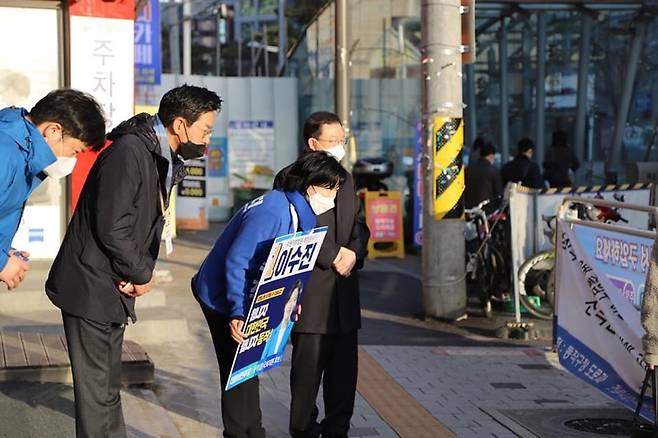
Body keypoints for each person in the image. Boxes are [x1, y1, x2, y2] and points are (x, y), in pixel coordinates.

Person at [46, 84, 223, 438]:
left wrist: (136, 271)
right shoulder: (130, 152)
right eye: (205, 129)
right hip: (90, 286)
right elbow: (112, 225)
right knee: (97, 397)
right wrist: (141, 272)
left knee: (108, 391)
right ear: (179, 125)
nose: (207, 137)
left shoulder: (156, 154)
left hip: (109, 284)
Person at [192, 151, 348, 438]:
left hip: (253, 294)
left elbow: (290, 265)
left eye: (336, 189)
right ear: (309, 184)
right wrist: (237, 312)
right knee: (237, 373)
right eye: (329, 188)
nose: (333, 196)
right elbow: (237, 261)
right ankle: (241, 432)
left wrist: (292, 300)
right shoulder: (272, 211)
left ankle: (255, 431)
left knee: (250, 367)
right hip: (223, 295)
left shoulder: (303, 212)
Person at [273, 111, 370, 438]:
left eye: (342, 140)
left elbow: (359, 222)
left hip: (344, 294)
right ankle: (303, 431)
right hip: (311, 295)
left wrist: (355, 252)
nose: (339, 147)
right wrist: (332, 256)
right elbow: (295, 228)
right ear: (313, 143)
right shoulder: (291, 178)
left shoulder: (346, 176)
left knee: (344, 377)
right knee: (306, 377)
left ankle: (337, 431)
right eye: (333, 141)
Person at [0, 89, 105, 290]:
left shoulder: (20, 151)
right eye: (74, 151)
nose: (72, 160)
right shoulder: (5, 151)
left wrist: (5, 251)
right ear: (53, 131)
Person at [260, 280, 303, 360]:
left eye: (294, 300)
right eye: (288, 301)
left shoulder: (291, 324)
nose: (290, 305)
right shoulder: (272, 329)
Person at [464, 142, 502, 209]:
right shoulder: (493, 171)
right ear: (491, 156)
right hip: (487, 208)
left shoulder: (467, 169)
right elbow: (498, 193)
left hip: (469, 207)